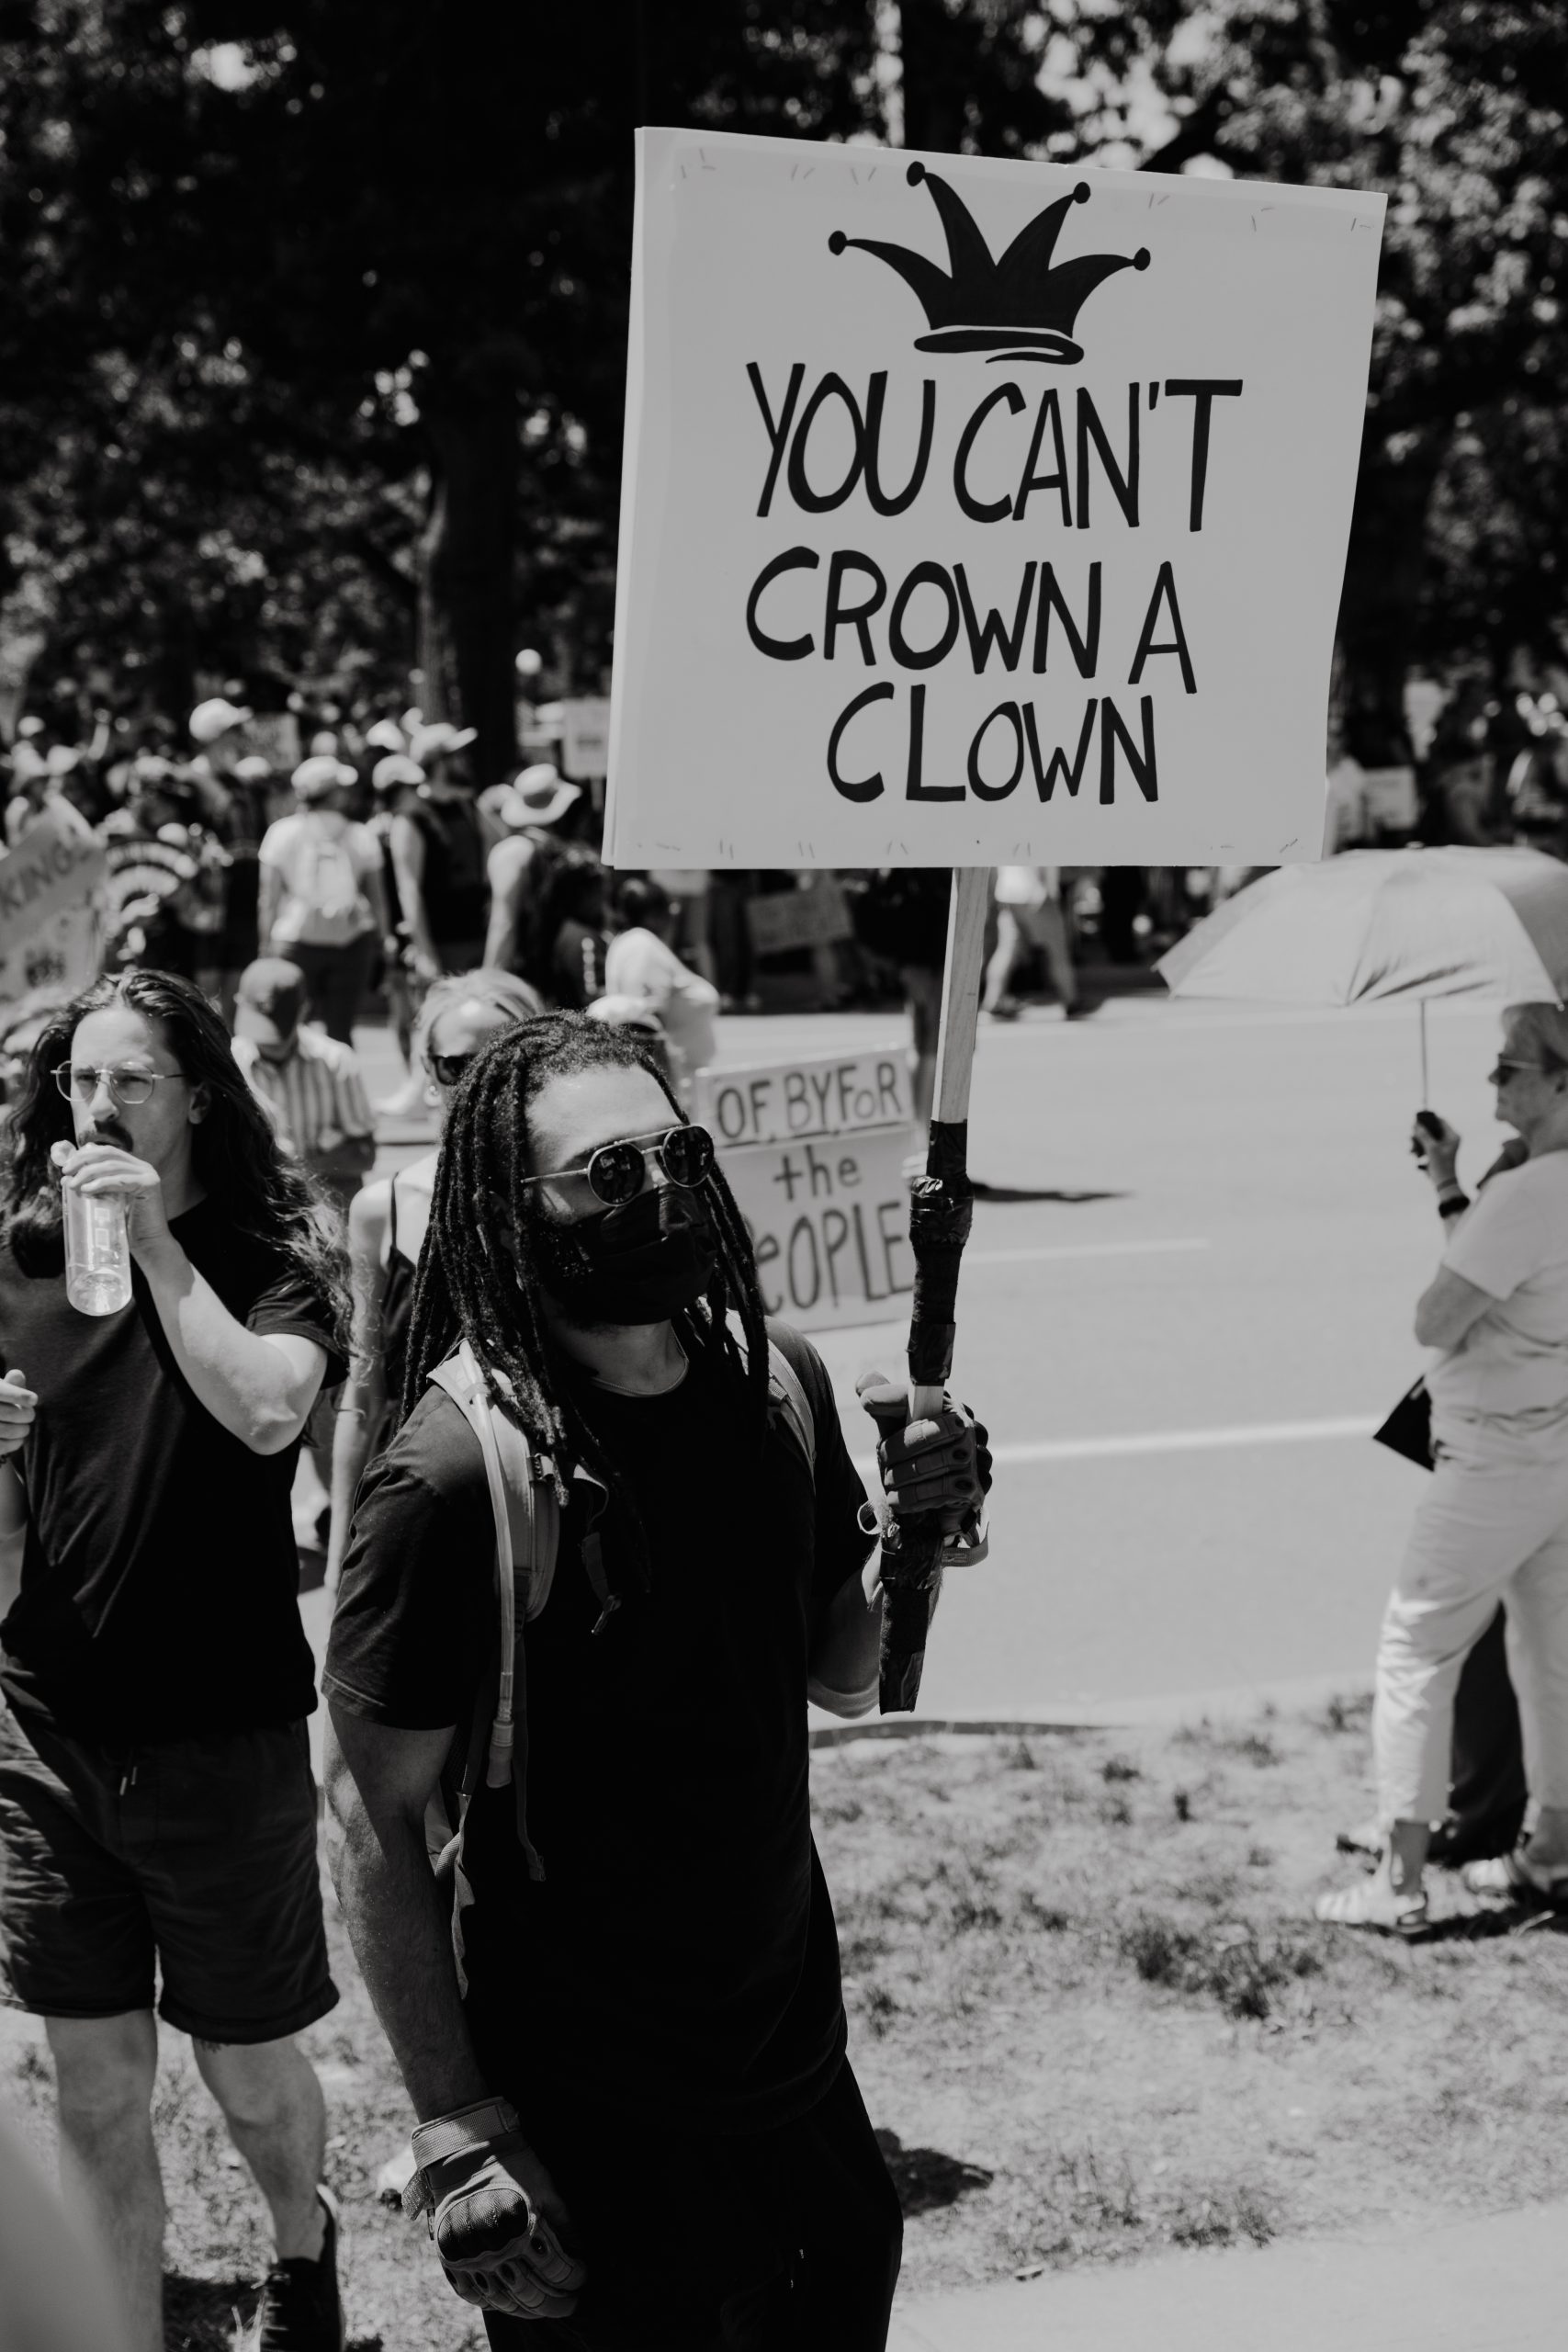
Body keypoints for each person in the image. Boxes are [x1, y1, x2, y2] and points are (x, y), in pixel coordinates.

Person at [322, 1013, 990, 2346]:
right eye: (607, 1174)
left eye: (676, 1154)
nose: (664, 1192)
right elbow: (368, 1811)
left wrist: (914, 1545)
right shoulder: (455, 1476)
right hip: (590, 2117)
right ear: (513, 1217)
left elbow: (841, 1674)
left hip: (795, 2071)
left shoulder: (777, 1385)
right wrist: (459, 2128)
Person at [0, 967, 352, 2350]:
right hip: (48, 1733)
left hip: (221, 1734)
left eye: (131, 1079)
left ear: (197, 1093)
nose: (97, 1107)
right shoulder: (21, 1263)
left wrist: (154, 1247)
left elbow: (270, 1414)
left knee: (249, 2071)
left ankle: (301, 2245)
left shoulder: (274, 1251)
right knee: (91, 2083)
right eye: (81, 1081)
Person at [1318, 1002, 1568, 1932]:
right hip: (1553, 1450)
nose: (1495, 1082)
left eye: (1512, 1067)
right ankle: (1552, 1850)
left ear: (1560, 1081)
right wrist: (1453, 1183)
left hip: (1493, 1458)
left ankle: (1402, 1876)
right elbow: (1498, 1277)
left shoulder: (1532, 1192)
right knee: (1550, 1656)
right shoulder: (1530, 1185)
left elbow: (1438, 1315)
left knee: (1414, 1650)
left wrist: (1472, 1194)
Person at [326, 968, 543, 1585]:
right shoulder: (380, 1209)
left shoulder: (565, 1202)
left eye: (502, 1061)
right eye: (457, 1065)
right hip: (410, 1511)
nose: (478, 1083)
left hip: (540, 1511)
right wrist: (349, 1536)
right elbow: (362, 1396)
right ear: (428, 1073)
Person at [230, 957, 378, 1220]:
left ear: (304, 1011)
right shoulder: (229, 1065)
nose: (269, 1042)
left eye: (278, 1029)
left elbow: (364, 1154)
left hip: (325, 1210)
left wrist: (297, 1169)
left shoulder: (335, 1061)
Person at [257, 754, 390, 1045]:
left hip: (293, 942)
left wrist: (265, 948)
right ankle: (339, 1090)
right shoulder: (361, 835)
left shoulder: (280, 833)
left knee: (289, 1031)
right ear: (334, 794)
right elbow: (377, 900)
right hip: (352, 942)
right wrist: (382, 942)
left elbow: (268, 899)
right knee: (341, 1034)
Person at [389, 729, 496, 982]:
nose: (464, 762)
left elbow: (494, 855)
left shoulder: (469, 806)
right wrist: (425, 952)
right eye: (456, 756)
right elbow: (409, 889)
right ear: (439, 764)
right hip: (443, 945)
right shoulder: (411, 818)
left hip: (481, 938)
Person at [604, 876, 719, 1091]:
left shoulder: (636, 943)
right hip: (675, 1084)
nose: (674, 914)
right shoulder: (641, 946)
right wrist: (663, 1087)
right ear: (653, 916)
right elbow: (644, 1021)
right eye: (668, 907)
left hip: (680, 1079)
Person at [480, 766, 581, 982]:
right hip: (567, 967)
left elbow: (503, 924)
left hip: (532, 975)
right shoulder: (565, 848)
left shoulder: (513, 851)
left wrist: (489, 983)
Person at [982, 866, 1082, 1022]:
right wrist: (1045, 892)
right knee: (1057, 949)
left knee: (1007, 949)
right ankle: (1071, 1001)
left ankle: (992, 1002)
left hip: (1008, 893)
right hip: (1035, 894)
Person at [534, 854, 609, 1012]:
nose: (604, 899)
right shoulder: (582, 939)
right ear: (584, 894)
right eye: (600, 891)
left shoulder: (560, 930)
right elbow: (591, 995)